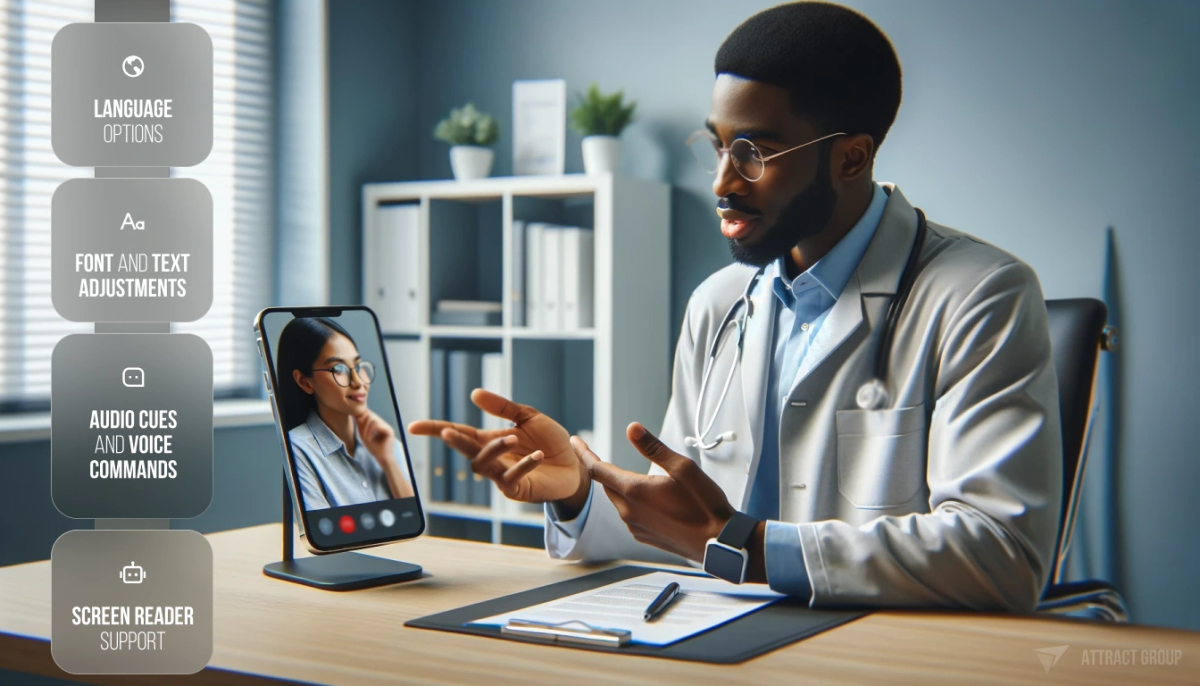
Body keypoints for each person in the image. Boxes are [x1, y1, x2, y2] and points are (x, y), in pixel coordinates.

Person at [409, 1, 1061, 612]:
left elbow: (1002, 557)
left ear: (851, 156)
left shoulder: (981, 294)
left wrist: (745, 547)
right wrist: (580, 492)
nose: (722, 182)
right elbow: (686, 525)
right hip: (726, 643)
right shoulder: (718, 305)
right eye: (719, 146)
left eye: (756, 152)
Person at [276, 317, 414, 509]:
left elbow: (413, 522)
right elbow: (324, 535)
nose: (358, 382)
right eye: (338, 369)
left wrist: (387, 461)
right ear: (305, 382)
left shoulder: (385, 441)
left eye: (357, 366)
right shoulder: (298, 448)